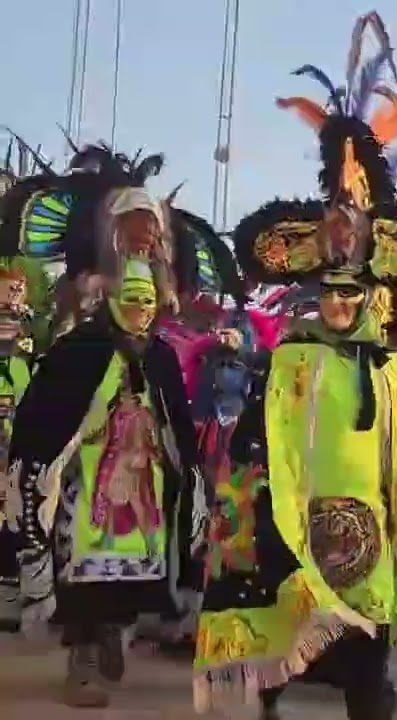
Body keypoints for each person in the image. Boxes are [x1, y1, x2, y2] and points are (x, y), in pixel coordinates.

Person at [192, 12, 397, 720]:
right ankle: (271, 697)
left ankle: (369, 694)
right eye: (329, 292)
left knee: (365, 646)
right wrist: (242, 503)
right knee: (286, 619)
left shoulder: (392, 369)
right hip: (293, 515)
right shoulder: (291, 358)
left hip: (371, 520)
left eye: (353, 293)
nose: (340, 303)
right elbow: (258, 438)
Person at [2, 148, 206, 708]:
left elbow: (179, 428)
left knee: (134, 567)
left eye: (147, 302)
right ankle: (83, 655)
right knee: (82, 563)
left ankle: (114, 632)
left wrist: (186, 477)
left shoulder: (162, 357)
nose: (141, 309)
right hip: (86, 479)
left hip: (141, 478)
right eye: (130, 300)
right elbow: (46, 420)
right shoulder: (79, 349)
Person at [0, 257, 51, 630]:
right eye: (8, 287)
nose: (15, 293)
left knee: (14, 498)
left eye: (19, 287)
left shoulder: (33, 326)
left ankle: (10, 580)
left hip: (19, 420)